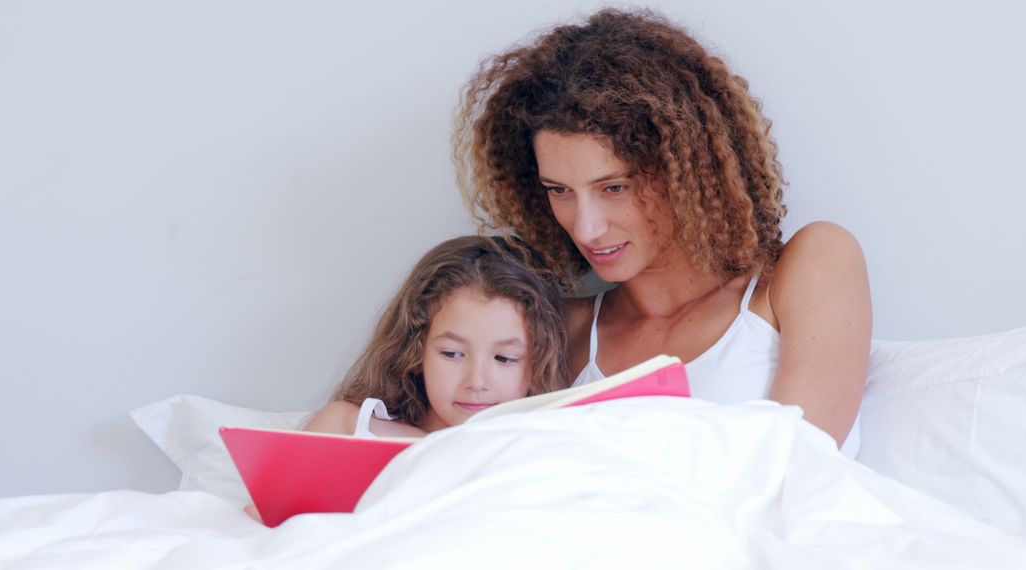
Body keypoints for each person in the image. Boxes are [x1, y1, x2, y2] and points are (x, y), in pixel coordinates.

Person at [453, 8, 871, 453]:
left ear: (684, 172)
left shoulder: (805, 271)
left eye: (614, 187)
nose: (586, 227)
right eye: (559, 190)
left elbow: (800, 463)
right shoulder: (561, 328)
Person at [303, 235, 571, 438]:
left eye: (505, 358)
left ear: (540, 361)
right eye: (452, 354)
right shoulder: (350, 426)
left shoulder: (539, 451)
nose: (476, 382)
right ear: (415, 349)